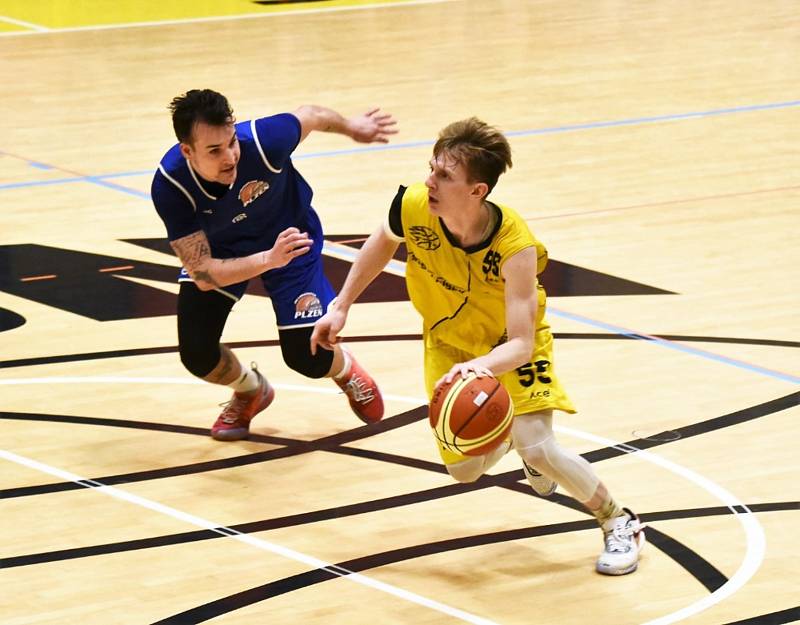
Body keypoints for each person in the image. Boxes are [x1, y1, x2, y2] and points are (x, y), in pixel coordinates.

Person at [310, 117, 645, 575]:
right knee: (464, 470)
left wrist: (482, 368)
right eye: (431, 168)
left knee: (541, 446)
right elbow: (381, 243)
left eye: (444, 175)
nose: (430, 181)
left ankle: (617, 520)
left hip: (507, 346)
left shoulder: (514, 247)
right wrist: (341, 305)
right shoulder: (411, 205)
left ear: (477, 190)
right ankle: (518, 440)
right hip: (447, 346)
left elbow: (523, 343)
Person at [151, 89, 395, 441]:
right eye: (214, 150)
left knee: (306, 357)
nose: (230, 156)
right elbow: (204, 274)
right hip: (225, 252)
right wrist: (267, 259)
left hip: (290, 239)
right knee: (196, 353)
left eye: (231, 142)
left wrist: (351, 126)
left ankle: (346, 371)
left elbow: (311, 112)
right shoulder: (171, 186)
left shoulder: (265, 143)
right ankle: (251, 390)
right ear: (187, 152)